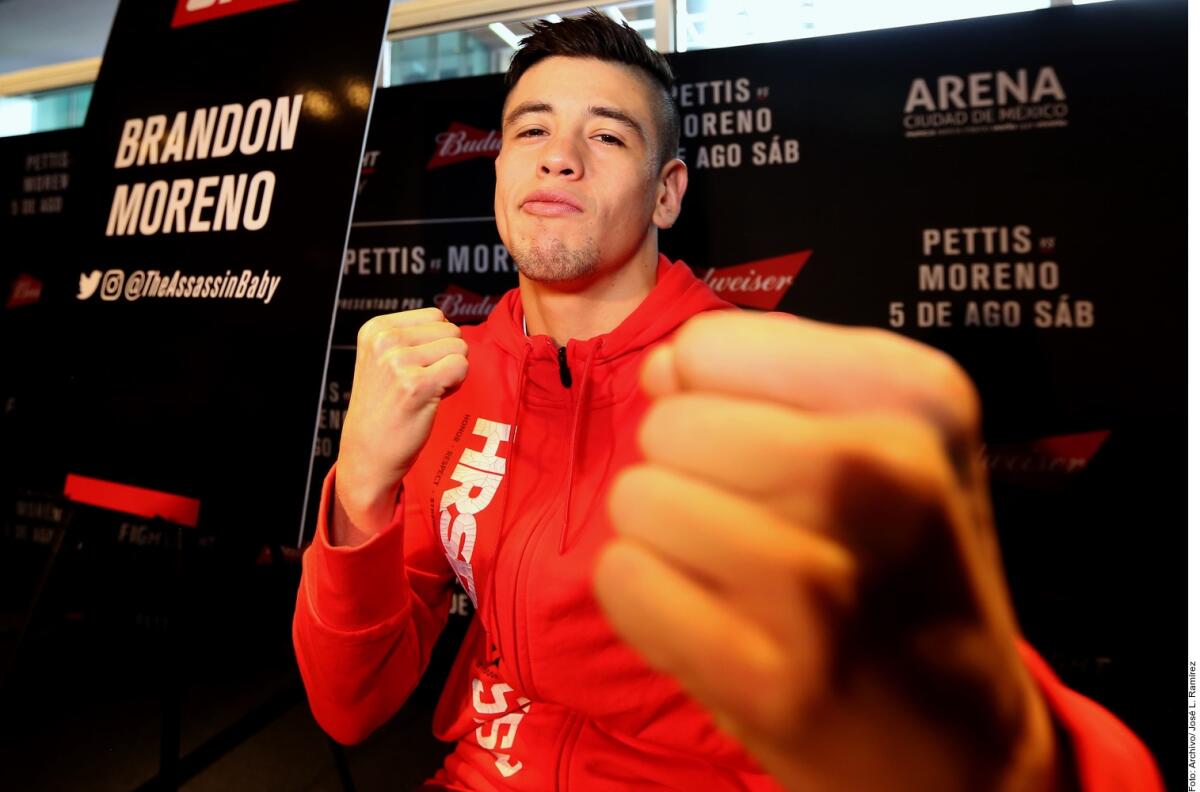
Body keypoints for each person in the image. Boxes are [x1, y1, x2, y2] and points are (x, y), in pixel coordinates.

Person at [294, 11, 1162, 791]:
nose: (560, 154)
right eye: (532, 130)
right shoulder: (449, 374)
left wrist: (1010, 755)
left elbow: (980, 722)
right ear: (499, 172)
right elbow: (349, 710)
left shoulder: (755, 381)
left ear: (667, 192)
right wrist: (361, 485)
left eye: (607, 136)